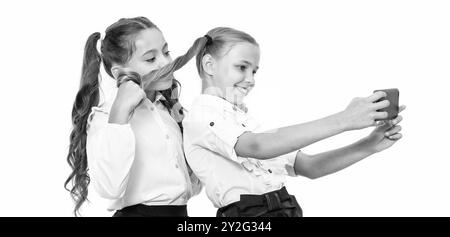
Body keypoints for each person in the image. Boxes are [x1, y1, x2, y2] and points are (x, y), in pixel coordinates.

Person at [183, 27, 405, 217]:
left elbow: (310, 166)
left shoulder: (242, 122)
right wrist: (344, 119)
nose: (251, 79)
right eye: (242, 67)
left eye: (254, 71)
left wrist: (369, 145)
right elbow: (258, 147)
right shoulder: (202, 114)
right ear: (209, 65)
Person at [65, 17, 208, 217]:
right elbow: (108, 188)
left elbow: (192, 184)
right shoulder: (105, 117)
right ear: (119, 72)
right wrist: (120, 113)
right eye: (150, 59)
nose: (166, 62)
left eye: (166, 52)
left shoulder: (169, 111)